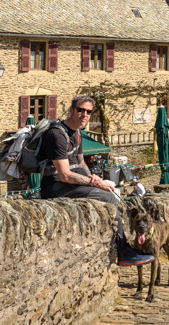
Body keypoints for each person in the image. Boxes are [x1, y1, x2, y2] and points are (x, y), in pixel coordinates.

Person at [39, 95, 153, 267]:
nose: (84, 114)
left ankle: (125, 246)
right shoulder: (57, 135)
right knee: (108, 198)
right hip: (55, 188)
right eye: (80, 110)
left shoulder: (77, 133)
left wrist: (94, 177)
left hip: (69, 184)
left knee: (110, 192)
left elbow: (80, 162)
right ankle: (123, 252)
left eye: (88, 112)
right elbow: (65, 175)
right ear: (71, 110)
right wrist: (96, 183)